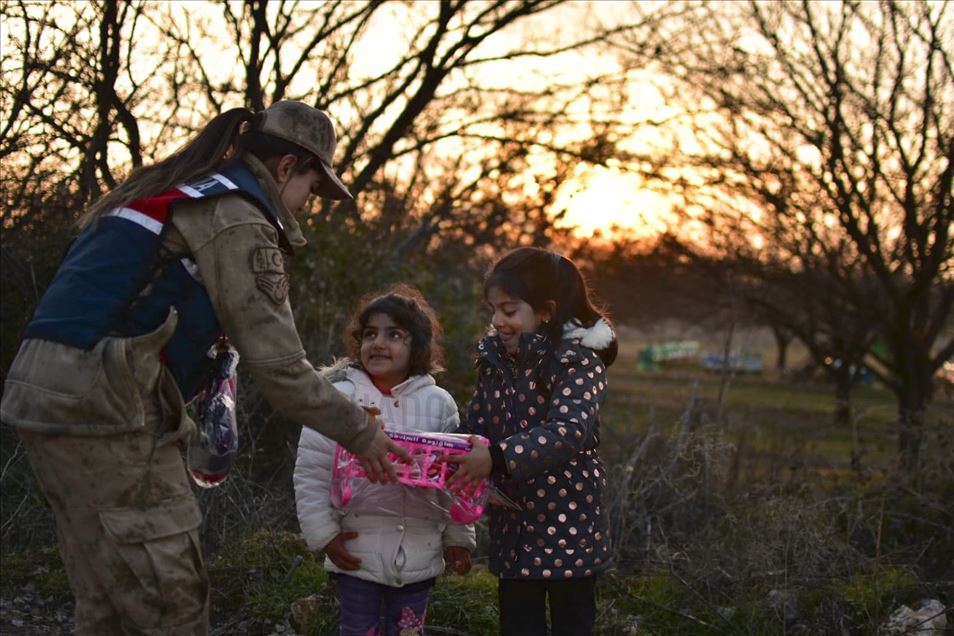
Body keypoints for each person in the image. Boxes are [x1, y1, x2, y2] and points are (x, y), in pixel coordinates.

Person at [0, 101, 408, 635]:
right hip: (108, 405)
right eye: (311, 187)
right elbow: (282, 370)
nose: (308, 205)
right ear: (286, 168)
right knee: (172, 600)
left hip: (43, 394)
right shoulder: (237, 214)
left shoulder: (179, 190)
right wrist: (361, 433)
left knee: (109, 599)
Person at [441, 247, 617, 636]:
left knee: (573, 622)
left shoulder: (578, 363)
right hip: (515, 525)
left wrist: (498, 458)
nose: (497, 321)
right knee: (519, 622)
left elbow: (568, 431)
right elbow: (480, 425)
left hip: (570, 523)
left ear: (546, 312)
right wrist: (451, 447)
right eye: (492, 310)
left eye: (508, 310)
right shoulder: (496, 363)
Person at [294, 285, 475, 636]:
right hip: (356, 549)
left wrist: (458, 539)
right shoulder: (338, 399)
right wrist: (325, 536)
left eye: (394, 334)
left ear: (417, 346)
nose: (378, 342)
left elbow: (455, 481)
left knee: (407, 632)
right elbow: (311, 471)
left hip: (420, 554)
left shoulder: (440, 404)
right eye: (370, 333)